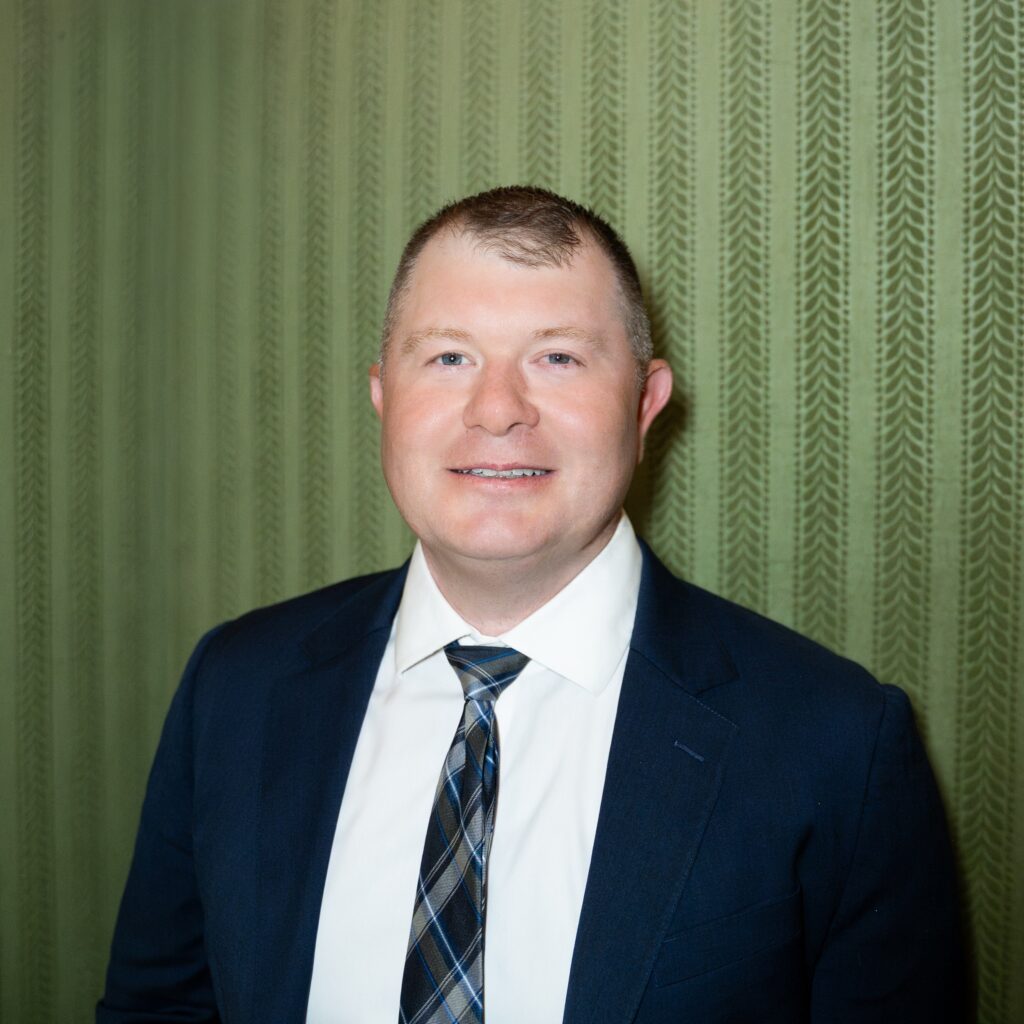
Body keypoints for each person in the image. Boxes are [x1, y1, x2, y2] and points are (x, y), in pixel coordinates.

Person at [98, 186, 965, 1023]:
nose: (498, 410)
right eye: (448, 357)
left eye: (557, 357)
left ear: (646, 402)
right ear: (382, 399)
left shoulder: (838, 745)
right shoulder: (235, 688)